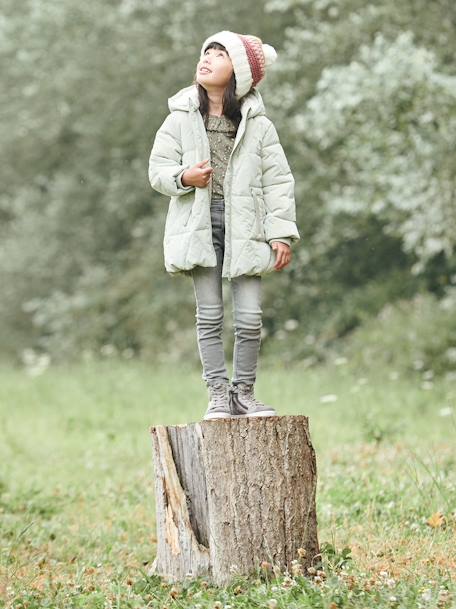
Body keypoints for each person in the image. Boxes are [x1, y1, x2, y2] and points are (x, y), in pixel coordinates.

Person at [148, 30, 300, 421]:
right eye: (206, 51)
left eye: (220, 54)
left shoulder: (259, 125)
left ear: (241, 72)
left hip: (246, 228)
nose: (208, 58)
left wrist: (280, 231)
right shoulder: (180, 117)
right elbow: (158, 171)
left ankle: (244, 394)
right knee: (210, 315)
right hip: (199, 225)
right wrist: (185, 177)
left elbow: (278, 180)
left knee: (250, 316)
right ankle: (217, 395)